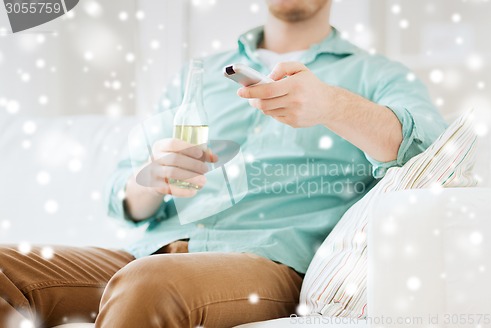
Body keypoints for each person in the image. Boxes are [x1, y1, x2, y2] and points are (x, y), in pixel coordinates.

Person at [0, 0, 447, 327]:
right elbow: (123, 196)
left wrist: (331, 105)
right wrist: (152, 180)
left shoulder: (377, 75)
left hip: (265, 263)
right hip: (149, 251)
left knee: (148, 284)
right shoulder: (201, 73)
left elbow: (425, 150)